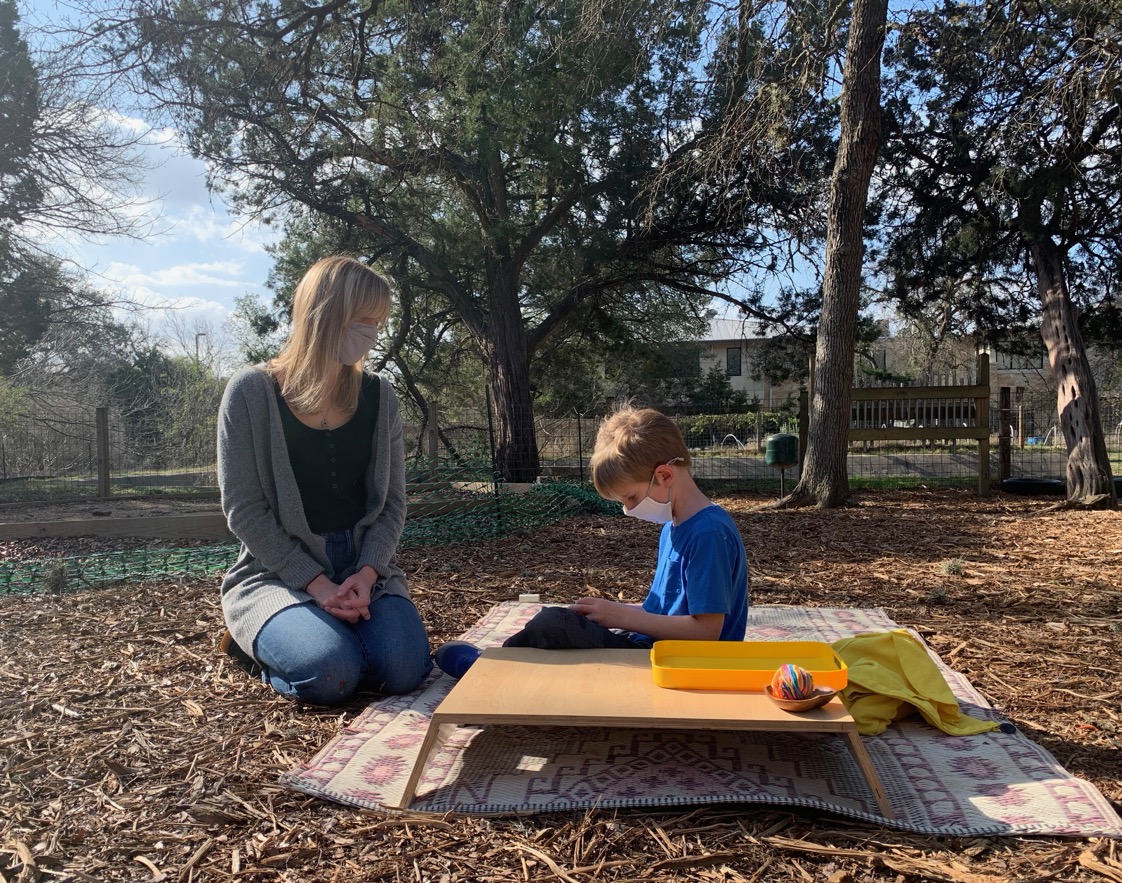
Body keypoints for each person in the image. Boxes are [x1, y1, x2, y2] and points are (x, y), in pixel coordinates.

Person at [217, 255, 432, 706]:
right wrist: (316, 583)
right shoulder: (250, 392)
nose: (372, 333)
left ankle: (322, 635)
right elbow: (244, 511)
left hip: (365, 569)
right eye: (363, 320)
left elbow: (393, 503)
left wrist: (368, 571)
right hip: (276, 573)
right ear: (325, 315)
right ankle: (258, 640)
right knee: (332, 674)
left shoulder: (380, 394)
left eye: (378, 321)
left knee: (405, 670)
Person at [434, 405, 748, 678]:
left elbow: (707, 632)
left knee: (554, 624)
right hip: (655, 652)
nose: (628, 509)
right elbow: (664, 612)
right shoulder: (674, 525)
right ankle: (510, 665)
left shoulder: (708, 533)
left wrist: (623, 616)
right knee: (567, 624)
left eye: (631, 496)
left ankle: (492, 668)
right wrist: (611, 613)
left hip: (684, 666)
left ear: (665, 476)